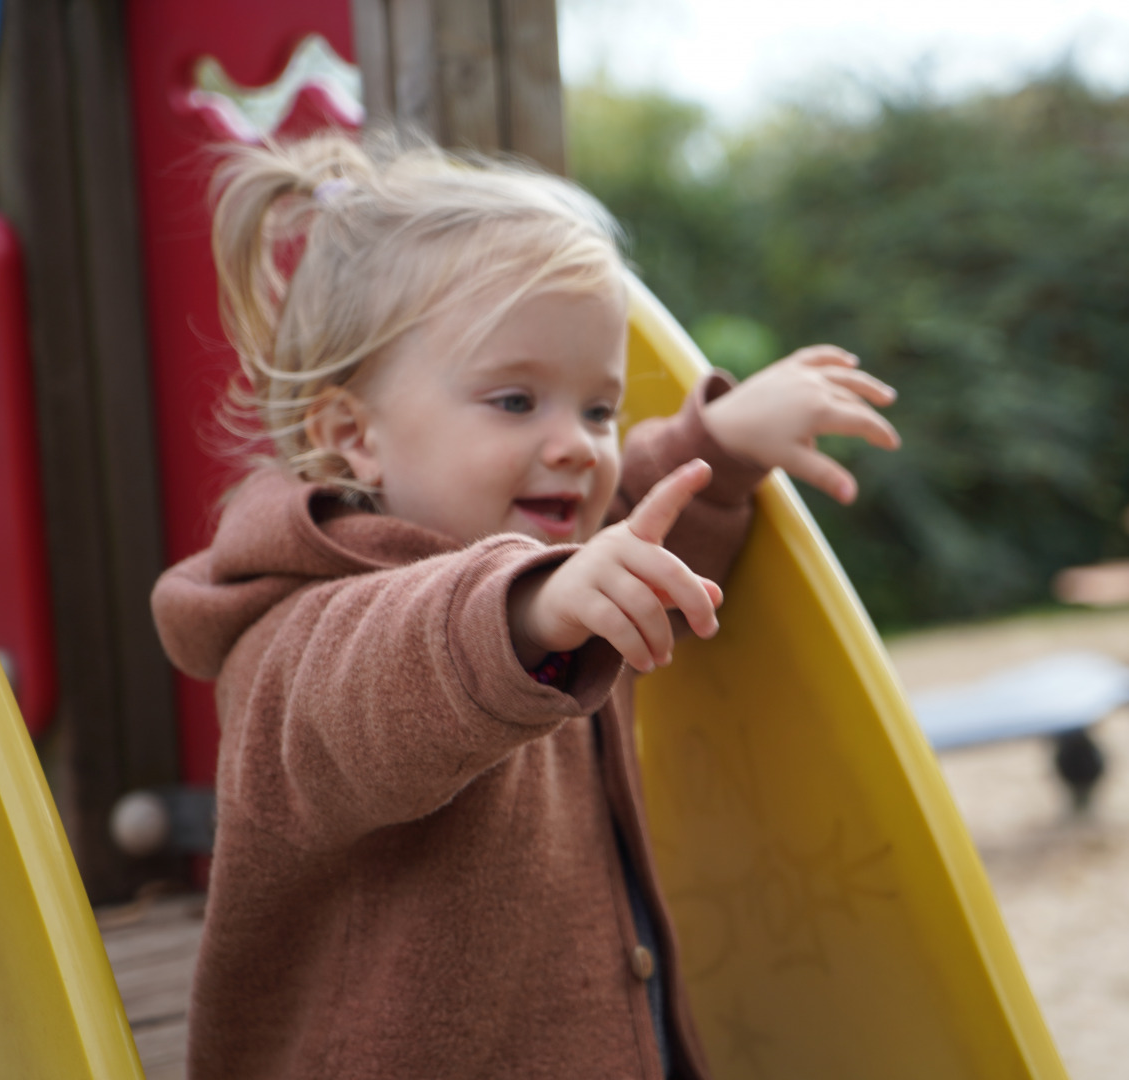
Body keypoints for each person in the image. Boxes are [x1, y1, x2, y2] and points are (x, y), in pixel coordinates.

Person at [150, 129, 899, 1080]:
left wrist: (721, 444)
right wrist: (527, 611)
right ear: (352, 435)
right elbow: (386, 673)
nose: (580, 446)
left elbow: (635, 524)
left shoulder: (563, 570)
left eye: (597, 408)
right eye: (516, 402)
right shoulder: (295, 634)